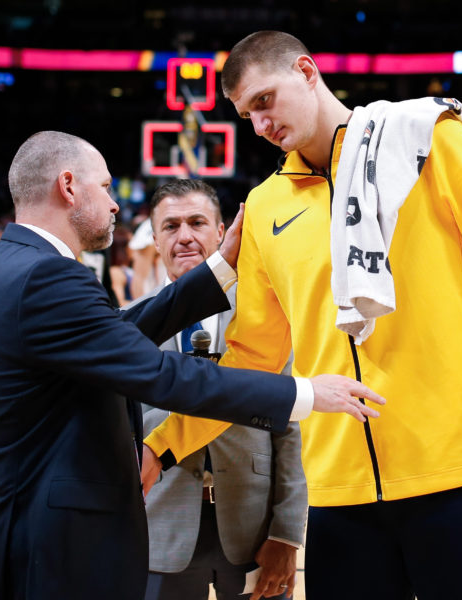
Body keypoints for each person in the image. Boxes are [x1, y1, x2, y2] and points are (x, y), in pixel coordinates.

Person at [141, 31, 462, 600]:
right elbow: (253, 359)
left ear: (306, 70)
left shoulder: (428, 141)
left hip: (460, 474)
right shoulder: (267, 206)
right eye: (247, 115)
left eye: (265, 101)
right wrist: (161, 446)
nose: (260, 125)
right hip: (340, 500)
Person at [0, 131, 385, 600]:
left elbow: (123, 331)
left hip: (45, 529)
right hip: (44, 542)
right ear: (68, 186)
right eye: (104, 187)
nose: (115, 204)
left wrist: (220, 267)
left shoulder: (21, 262)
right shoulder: (47, 274)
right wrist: (304, 394)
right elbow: (160, 374)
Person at [139, 179, 307, 600]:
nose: (185, 236)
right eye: (171, 226)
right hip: (158, 531)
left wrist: (287, 535)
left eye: (197, 222)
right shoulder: (132, 324)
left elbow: (290, 432)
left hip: (254, 533)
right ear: (155, 239)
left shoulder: (265, 318)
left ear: (221, 232)